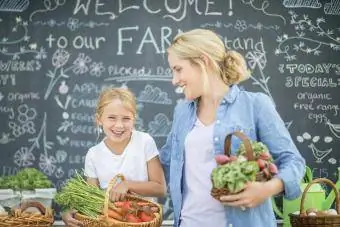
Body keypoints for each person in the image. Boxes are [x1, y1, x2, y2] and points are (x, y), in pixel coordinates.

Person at [160, 29, 306, 227]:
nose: (174, 80)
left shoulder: (255, 105)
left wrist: (267, 189)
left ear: (203, 62)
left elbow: (293, 161)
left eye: (178, 69)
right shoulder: (182, 112)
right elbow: (165, 165)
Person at [62, 88, 166, 227]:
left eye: (126, 118)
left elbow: (160, 188)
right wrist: (68, 212)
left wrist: (126, 184)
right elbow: (91, 200)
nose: (119, 125)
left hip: (142, 221)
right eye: (111, 118)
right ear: (99, 119)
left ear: (134, 119)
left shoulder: (144, 142)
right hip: (110, 222)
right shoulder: (93, 154)